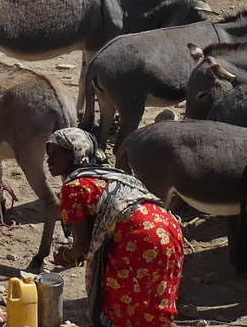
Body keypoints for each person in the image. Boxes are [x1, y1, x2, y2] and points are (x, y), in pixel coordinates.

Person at [47, 127, 184, 327]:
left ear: (73, 155)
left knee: (123, 306)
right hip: (168, 228)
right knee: (155, 303)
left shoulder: (74, 187)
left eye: (55, 155)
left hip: (139, 237)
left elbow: (83, 247)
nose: (49, 161)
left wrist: (66, 256)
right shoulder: (109, 175)